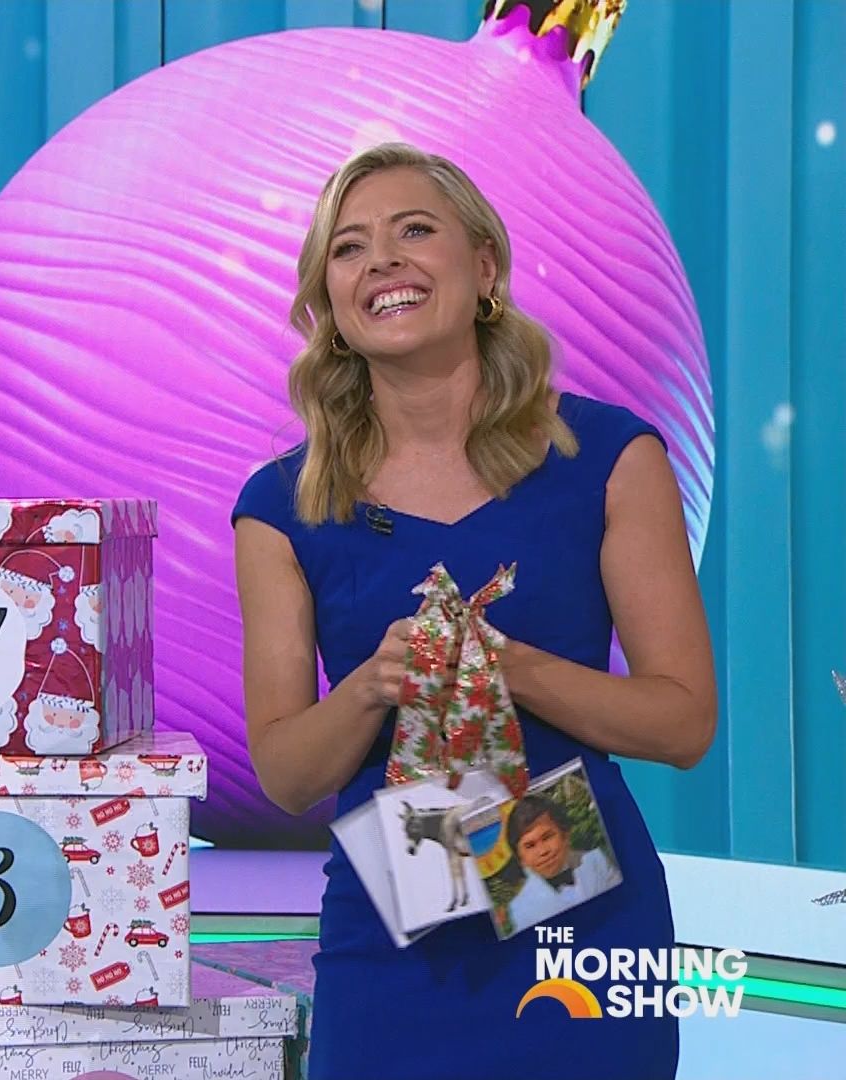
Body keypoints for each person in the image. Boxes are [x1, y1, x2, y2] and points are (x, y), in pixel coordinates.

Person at [232, 142, 716, 1079]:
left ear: (485, 267)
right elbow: (288, 775)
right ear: (329, 299)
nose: (382, 261)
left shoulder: (610, 457)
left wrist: (507, 664)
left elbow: (684, 722)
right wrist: (370, 687)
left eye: (415, 231)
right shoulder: (282, 505)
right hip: (391, 953)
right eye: (349, 247)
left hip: (585, 937)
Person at [503, 795, 622, 932]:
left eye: (547, 837)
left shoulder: (596, 861)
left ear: (565, 835)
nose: (543, 851)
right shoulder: (521, 908)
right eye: (530, 846)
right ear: (520, 859)